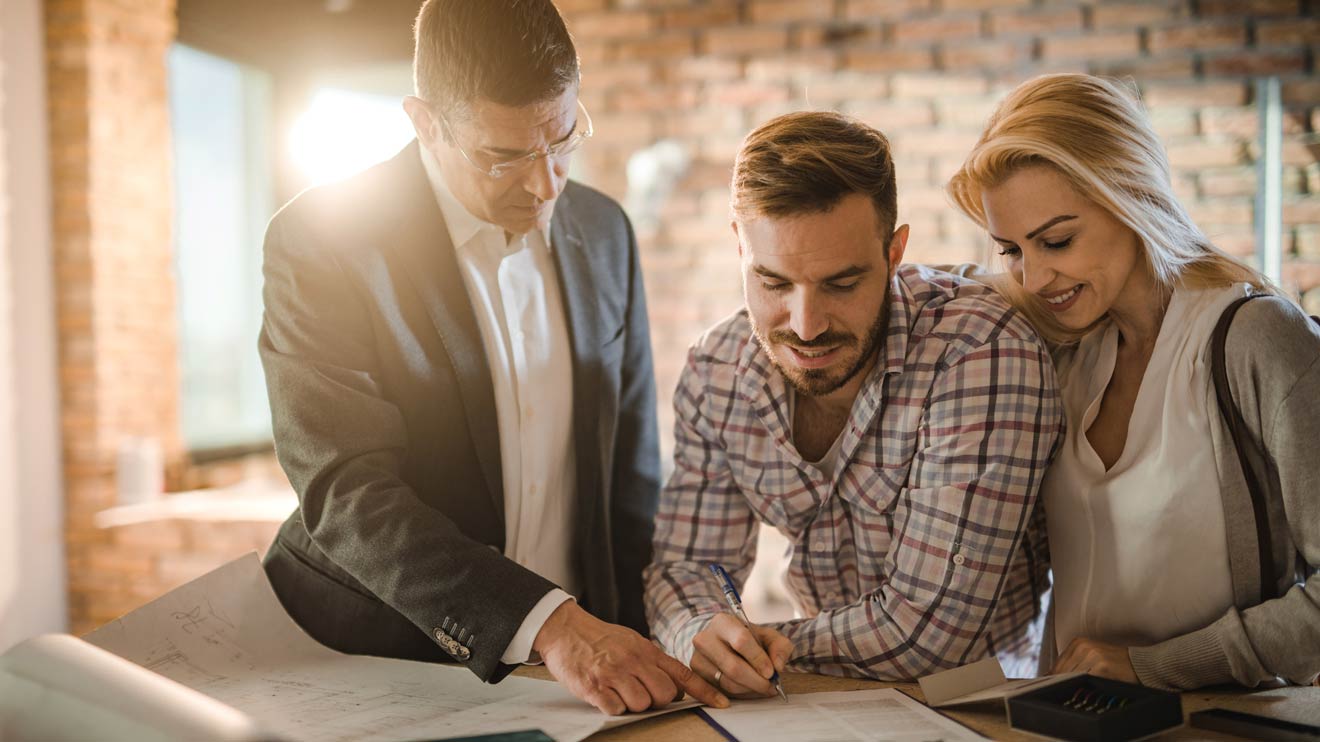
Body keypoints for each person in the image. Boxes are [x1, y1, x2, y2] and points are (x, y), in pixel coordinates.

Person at [257, 0, 726, 715]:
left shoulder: (604, 230)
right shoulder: (321, 241)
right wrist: (549, 625)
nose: (546, 185)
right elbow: (346, 491)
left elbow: (629, 477)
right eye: (504, 156)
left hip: (575, 681)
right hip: (379, 656)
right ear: (424, 122)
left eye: (564, 139)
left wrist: (660, 631)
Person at [644, 111, 1064, 695]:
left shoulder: (979, 351)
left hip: (983, 711)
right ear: (739, 247)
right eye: (773, 283)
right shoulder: (716, 371)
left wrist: (761, 647)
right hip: (820, 708)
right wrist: (700, 626)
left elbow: (929, 633)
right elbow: (687, 567)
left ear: (894, 252)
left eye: (841, 283)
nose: (806, 326)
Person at [946, 72, 1320, 690]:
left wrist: (1153, 668)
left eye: (1057, 241)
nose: (1035, 277)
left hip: (1222, 731)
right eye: (1011, 250)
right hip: (1067, 721)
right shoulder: (1063, 348)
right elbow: (940, 293)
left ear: (1131, 198)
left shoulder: (1256, 339)